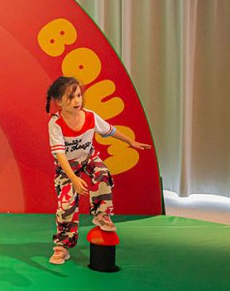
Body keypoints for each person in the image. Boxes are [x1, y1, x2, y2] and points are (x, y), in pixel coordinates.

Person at [45, 76, 151, 264]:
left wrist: (130, 141)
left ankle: (102, 215)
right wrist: (74, 179)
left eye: (79, 95)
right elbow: (60, 155)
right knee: (66, 205)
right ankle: (62, 246)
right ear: (59, 102)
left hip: (88, 158)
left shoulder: (90, 116)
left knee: (102, 173)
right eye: (71, 97)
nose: (77, 100)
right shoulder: (56, 124)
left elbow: (110, 130)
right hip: (67, 167)